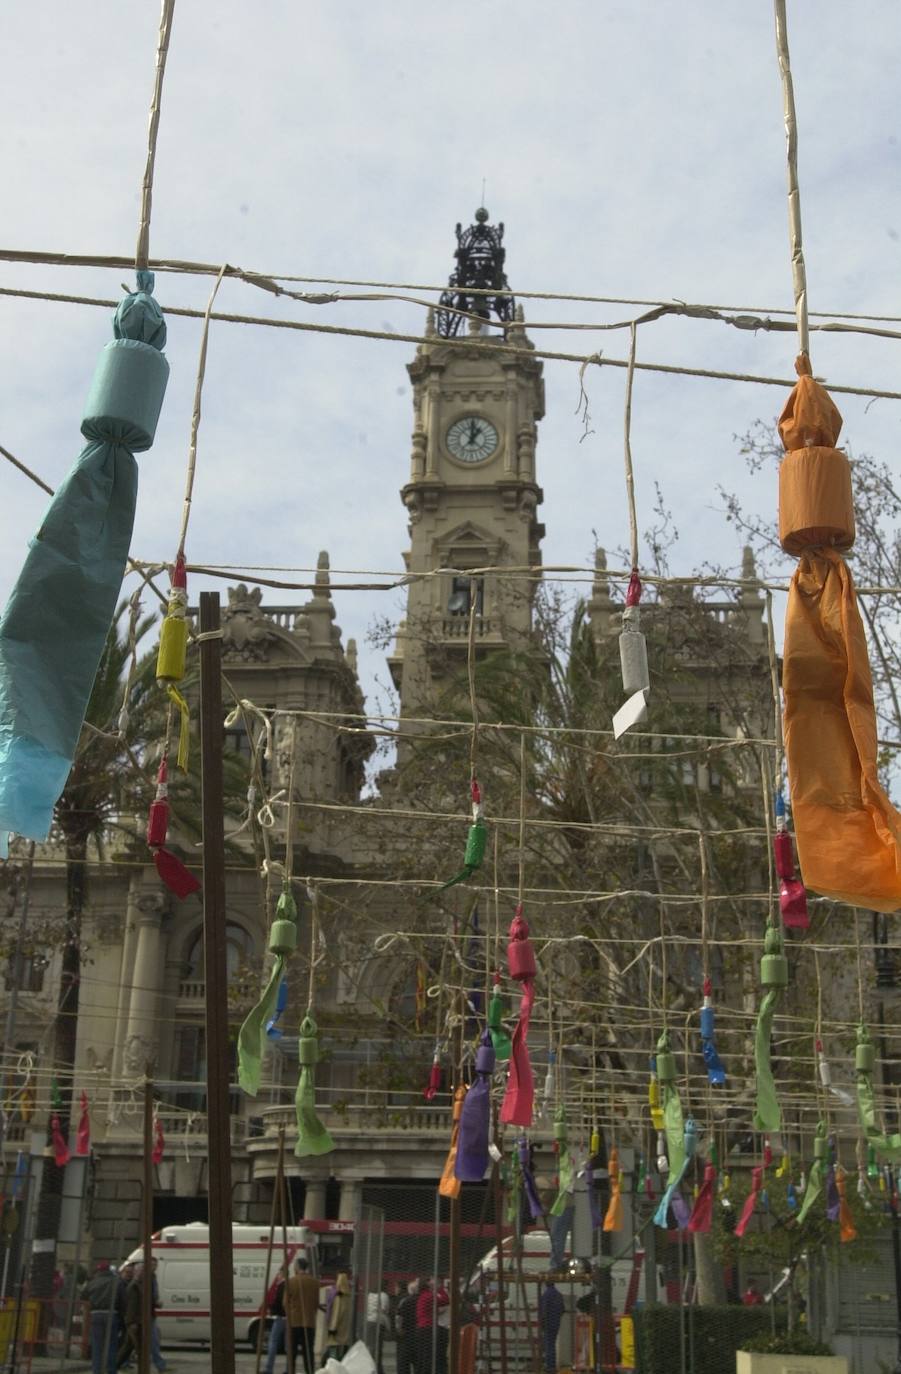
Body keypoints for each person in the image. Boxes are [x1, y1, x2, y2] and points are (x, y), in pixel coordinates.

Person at [81, 1261, 122, 1374]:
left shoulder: (92, 1282)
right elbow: (122, 1299)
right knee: (111, 1345)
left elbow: (84, 1296)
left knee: (97, 1345)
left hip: (96, 1314)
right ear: (109, 1270)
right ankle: (111, 1370)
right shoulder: (116, 1282)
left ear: (98, 1271)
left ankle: (97, 1370)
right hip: (112, 1314)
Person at [286, 1256, 321, 1374]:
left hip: (294, 1322)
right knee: (308, 1351)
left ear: (297, 1267)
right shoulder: (315, 1282)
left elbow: (285, 1303)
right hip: (309, 1321)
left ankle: (291, 1371)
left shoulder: (291, 1281)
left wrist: (290, 1313)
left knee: (292, 1352)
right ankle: (310, 1371)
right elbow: (316, 1303)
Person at [415, 1279, 448, 1374]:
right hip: (428, 1328)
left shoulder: (422, 1296)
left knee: (423, 1354)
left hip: (422, 1327)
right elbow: (445, 1301)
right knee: (429, 1354)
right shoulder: (430, 1296)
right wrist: (439, 1289)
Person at [265, 1264, 288, 1374]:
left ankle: (269, 1369)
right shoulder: (289, 1285)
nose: (277, 1276)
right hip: (289, 1318)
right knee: (288, 1345)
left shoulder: (282, 1285)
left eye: (279, 1273)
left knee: (273, 1342)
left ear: (282, 1274)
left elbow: (279, 1302)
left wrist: (271, 1309)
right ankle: (288, 1369)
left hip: (280, 1317)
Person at [539, 1282, 565, 1374]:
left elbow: (543, 1311)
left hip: (548, 1323)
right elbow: (562, 1310)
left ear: (546, 1284)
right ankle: (551, 1365)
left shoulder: (546, 1295)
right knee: (552, 1344)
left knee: (549, 1345)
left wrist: (542, 1323)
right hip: (556, 1323)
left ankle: (550, 1367)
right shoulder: (559, 1295)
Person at [395, 1280, 420, 1374]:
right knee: (417, 1362)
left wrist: (399, 1329)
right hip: (418, 1334)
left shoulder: (405, 1301)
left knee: (403, 1362)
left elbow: (399, 1317)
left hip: (406, 1335)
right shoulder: (421, 1300)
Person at [326, 1273, 352, 1361]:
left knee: (332, 1347)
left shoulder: (338, 1297)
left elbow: (336, 1314)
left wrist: (332, 1329)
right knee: (343, 1351)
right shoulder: (348, 1297)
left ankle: (333, 1365)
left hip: (337, 1329)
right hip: (345, 1329)